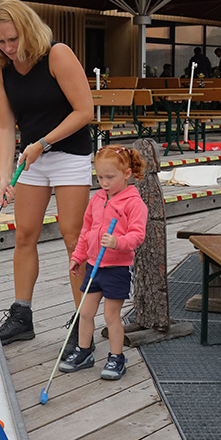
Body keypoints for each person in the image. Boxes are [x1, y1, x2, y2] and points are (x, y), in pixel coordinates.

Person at [0, 0, 94, 349]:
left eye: (13, 39)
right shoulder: (1, 69)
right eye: (1, 42)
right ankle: (22, 316)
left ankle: (82, 322)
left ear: (28, 30)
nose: (9, 48)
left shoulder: (57, 54)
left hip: (68, 154)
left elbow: (84, 110)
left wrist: (43, 142)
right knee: (24, 234)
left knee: (72, 236)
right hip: (32, 159)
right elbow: (4, 126)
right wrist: (3, 176)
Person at [59, 145, 148, 380]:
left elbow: (137, 235)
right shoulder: (97, 199)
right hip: (93, 266)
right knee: (85, 312)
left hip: (116, 268)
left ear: (126, 174)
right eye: (99, 177)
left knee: (111, 316)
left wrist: (118, 242)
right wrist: (78, 257)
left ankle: (116, 357)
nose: (104, 182)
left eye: (110, 177)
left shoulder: (133, 203)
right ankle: (84, 351)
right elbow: (86, 231)